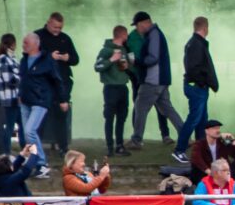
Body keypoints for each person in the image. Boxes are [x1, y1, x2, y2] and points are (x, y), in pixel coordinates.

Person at [127, 12, 185, 151]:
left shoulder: (153, 35)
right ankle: (185, 136)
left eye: (137, 25)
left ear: (144, 23)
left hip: (152, 80)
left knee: (140, 107)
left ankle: (136, 140)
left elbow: (153, 58)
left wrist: (137, 61)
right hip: (161, 79)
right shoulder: (156, 34)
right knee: (168, 109)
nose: (137, 29)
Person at [19, 32, 68, 174]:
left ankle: (42, 162)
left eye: (26, 43)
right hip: (25, 101)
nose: (23, 46)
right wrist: (20, 94)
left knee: (30, 130)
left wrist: (63, 99)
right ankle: (34, 162)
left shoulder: (47, 60)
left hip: (40, 100)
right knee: (27, 134)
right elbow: (22, 79)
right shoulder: (24, 60)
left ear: (35, 44)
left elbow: (57, 80)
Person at [32, 13, 79, 157]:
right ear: (48, 23)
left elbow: (76, 59)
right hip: (43, 83)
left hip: (62, 82)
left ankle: (63, 147)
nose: (57, 30)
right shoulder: (37, 36)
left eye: (60, 27)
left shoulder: (65, 38)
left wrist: (67, 57)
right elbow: (29, 57)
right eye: (54, 27)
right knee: (41, 115)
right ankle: (36, 148)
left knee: (61, 115)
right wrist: (48, 57)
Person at [175, 16, 219, 161]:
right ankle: (179, 149)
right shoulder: (196, 45)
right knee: (194, 119)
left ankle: (201, 150)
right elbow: (193, 68)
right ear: (205, 28)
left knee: (201, 120)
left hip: (199, 87)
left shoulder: (195, 43)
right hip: (197, 87)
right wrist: (202, 82)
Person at [94, 25, 134, 157]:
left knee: (122, 117)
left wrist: (128, 65)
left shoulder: (125, 49)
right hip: (110, 87)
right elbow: (97, 66)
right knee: (109, 117)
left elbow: (131, 64)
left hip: (123, 86)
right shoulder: (106, 50)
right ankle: (110, 146)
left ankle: (120, 145)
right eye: (126, 35)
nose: (127, 37)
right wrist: (112, 59)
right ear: (122, 35)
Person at [0, 33, 22, 159]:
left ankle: (22, 150)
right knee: (10, 126)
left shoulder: (10, 58)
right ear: (12, 44)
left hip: (15, 97)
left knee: (21, 125)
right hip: (10, 98)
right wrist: (22, 79)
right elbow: (8, 79)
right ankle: (6, 152)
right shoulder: (3, 59)